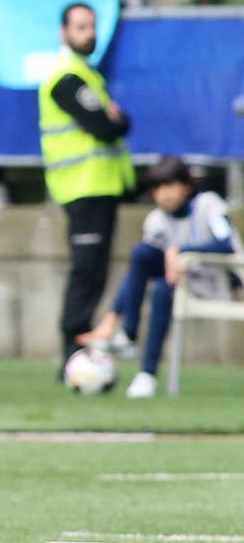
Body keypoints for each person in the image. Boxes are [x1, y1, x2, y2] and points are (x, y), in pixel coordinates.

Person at [79, 156, 240, 399]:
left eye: (169, 185)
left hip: (217, 280)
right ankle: (136, 351)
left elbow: (226, 243)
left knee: (163, 284)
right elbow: (138, 269)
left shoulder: (209, 204)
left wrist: (182, 252)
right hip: (179, 282)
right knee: (146, 262)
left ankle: (133, 348)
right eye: (157, 188)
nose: (163, 194)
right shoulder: (156, 220)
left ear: (186, 186)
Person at [39, 1, 134, 373]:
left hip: (99, 186)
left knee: (94, 272)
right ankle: (71, 353)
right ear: (64, 32)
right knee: (86, 271)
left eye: (91, 26)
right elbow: (108, 126)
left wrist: (115, 119)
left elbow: (117, 123)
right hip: (83, 186)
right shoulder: (67, 77)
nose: (88, 34)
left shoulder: (86, 74)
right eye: (80, 27)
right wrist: (113, 117)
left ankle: (79, 350)